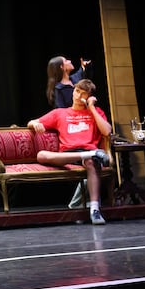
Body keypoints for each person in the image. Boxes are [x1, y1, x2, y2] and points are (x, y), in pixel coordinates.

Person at [27, 78, 112, 225]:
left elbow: (106, 131)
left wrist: (91, 108)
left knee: (92, 163)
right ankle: (91, 155)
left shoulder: (96, 112)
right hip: (67, 154)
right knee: (41, 155)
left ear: (89, 97)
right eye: (77, 91)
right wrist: (35, 124)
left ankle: (94, 210)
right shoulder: (60, 113)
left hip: (88, 153)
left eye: (84, 94)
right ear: (73, 91)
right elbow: (31, 122)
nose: (79, 96)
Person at [45, 55, 92, 209]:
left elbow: (80, 75)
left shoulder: (73, 81)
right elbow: (61, 111)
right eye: (66, 61)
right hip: (73, 128)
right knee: (90, 168)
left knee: (92, 168)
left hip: (85, 124)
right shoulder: (59, 88)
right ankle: (78, 203)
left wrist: (83, 67)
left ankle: (82, 203)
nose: (70, 61)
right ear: (61, 67)